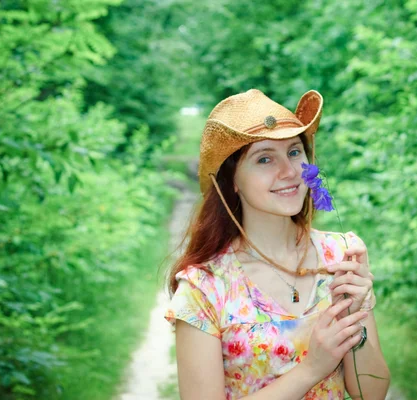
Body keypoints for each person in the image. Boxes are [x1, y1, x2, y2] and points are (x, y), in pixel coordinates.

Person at [164, 89, 390, 400]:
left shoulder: (341, 255)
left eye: (295, 152)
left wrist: (355, 318)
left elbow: (372, 393)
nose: (289, 171)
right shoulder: (206, 287)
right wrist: (312, 369)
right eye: (265, 158)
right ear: (232, 181)